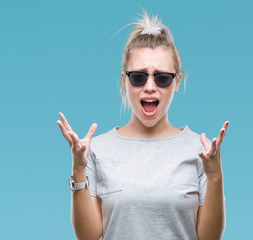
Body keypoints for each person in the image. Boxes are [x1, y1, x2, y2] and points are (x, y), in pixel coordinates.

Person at [56, 9, 229, 240]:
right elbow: (88, 236)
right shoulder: (95, 150)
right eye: (138, 76)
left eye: (162, 78)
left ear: (176, 82)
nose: (149, 87)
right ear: (124, 81)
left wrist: (215, 175)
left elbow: (210, 238)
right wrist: (78, 169)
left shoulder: (201, 152)